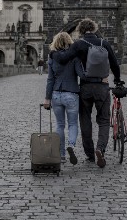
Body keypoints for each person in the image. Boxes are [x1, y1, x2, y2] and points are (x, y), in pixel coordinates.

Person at [51, 18, 121, 168]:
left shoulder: (79, 45)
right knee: (103, 120)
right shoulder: (104, 43)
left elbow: (63, 59)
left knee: (85, 120)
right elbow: (115, 64)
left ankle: (90, 154)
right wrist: (118, 80)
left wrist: (52, 54)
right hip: (102, 86)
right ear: (95, 29)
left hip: (85, 88)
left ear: (80, 31)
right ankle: (100, 148)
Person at [44, 32, 84, 165]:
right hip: (71, 94)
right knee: (72, 124)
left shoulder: (52, 57)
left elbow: (50, 80)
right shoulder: (74, 57)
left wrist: (47, 98)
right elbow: (81, 75)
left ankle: (61, 155)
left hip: (56, 94)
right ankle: (71, 145)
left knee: (60, 125)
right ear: (69, 42)